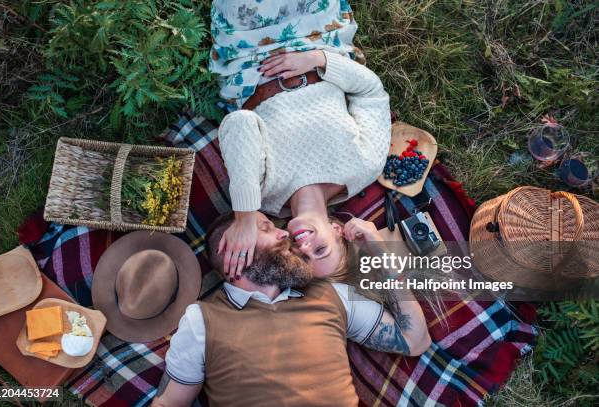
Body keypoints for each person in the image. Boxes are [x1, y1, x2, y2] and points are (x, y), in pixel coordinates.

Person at [151, 214, 431, 407]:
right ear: (231, 252)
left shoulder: (330, 294)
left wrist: (377, 247)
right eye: (265, 228)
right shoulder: (202, 321)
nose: (284, 233)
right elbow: (168, 403)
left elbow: (414, 340)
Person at [209, 1, 392, 279]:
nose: (304, 245)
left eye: (300, 255)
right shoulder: (365, 167)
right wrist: (318, 59)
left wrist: (245, 216)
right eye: (319, 250)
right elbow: (371, 93)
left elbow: (239, 123)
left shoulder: (263, 198)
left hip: (248, 59)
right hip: (318, 37)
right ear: (336, 231)